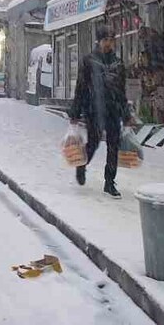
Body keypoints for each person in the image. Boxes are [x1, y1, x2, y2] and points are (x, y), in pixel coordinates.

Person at [68, 24, 129, 199]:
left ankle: (109, 182)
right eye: (105, 40)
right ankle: (82, 165)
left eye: (111, 40)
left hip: (113, 109)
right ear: (99, 41)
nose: (109, 44)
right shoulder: (89, 61)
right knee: (93, 143)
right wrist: (75, 112)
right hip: (94, 109)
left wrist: (126, 114)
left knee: (113, 146)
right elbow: (80, 88)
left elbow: (121, 91)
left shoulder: (118, 64)